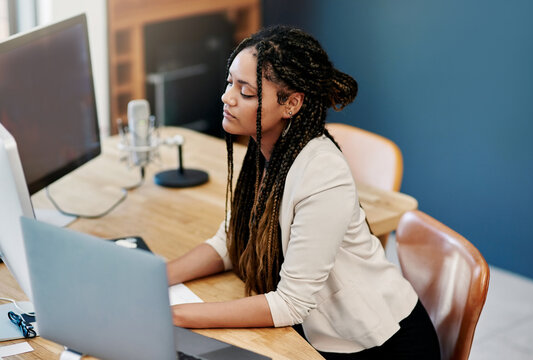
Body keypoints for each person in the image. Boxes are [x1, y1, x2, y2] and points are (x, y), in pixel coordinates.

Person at [167, 25, 440, 359]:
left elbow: (291, 304)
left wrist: (175, 314)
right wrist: (156, 281)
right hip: (314, 331)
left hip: (376, 345)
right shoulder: (262, 151)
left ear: (291, 103)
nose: (227, 97)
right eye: (229, 83)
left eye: (246, 92)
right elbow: (230, 242)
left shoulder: (322, 174)